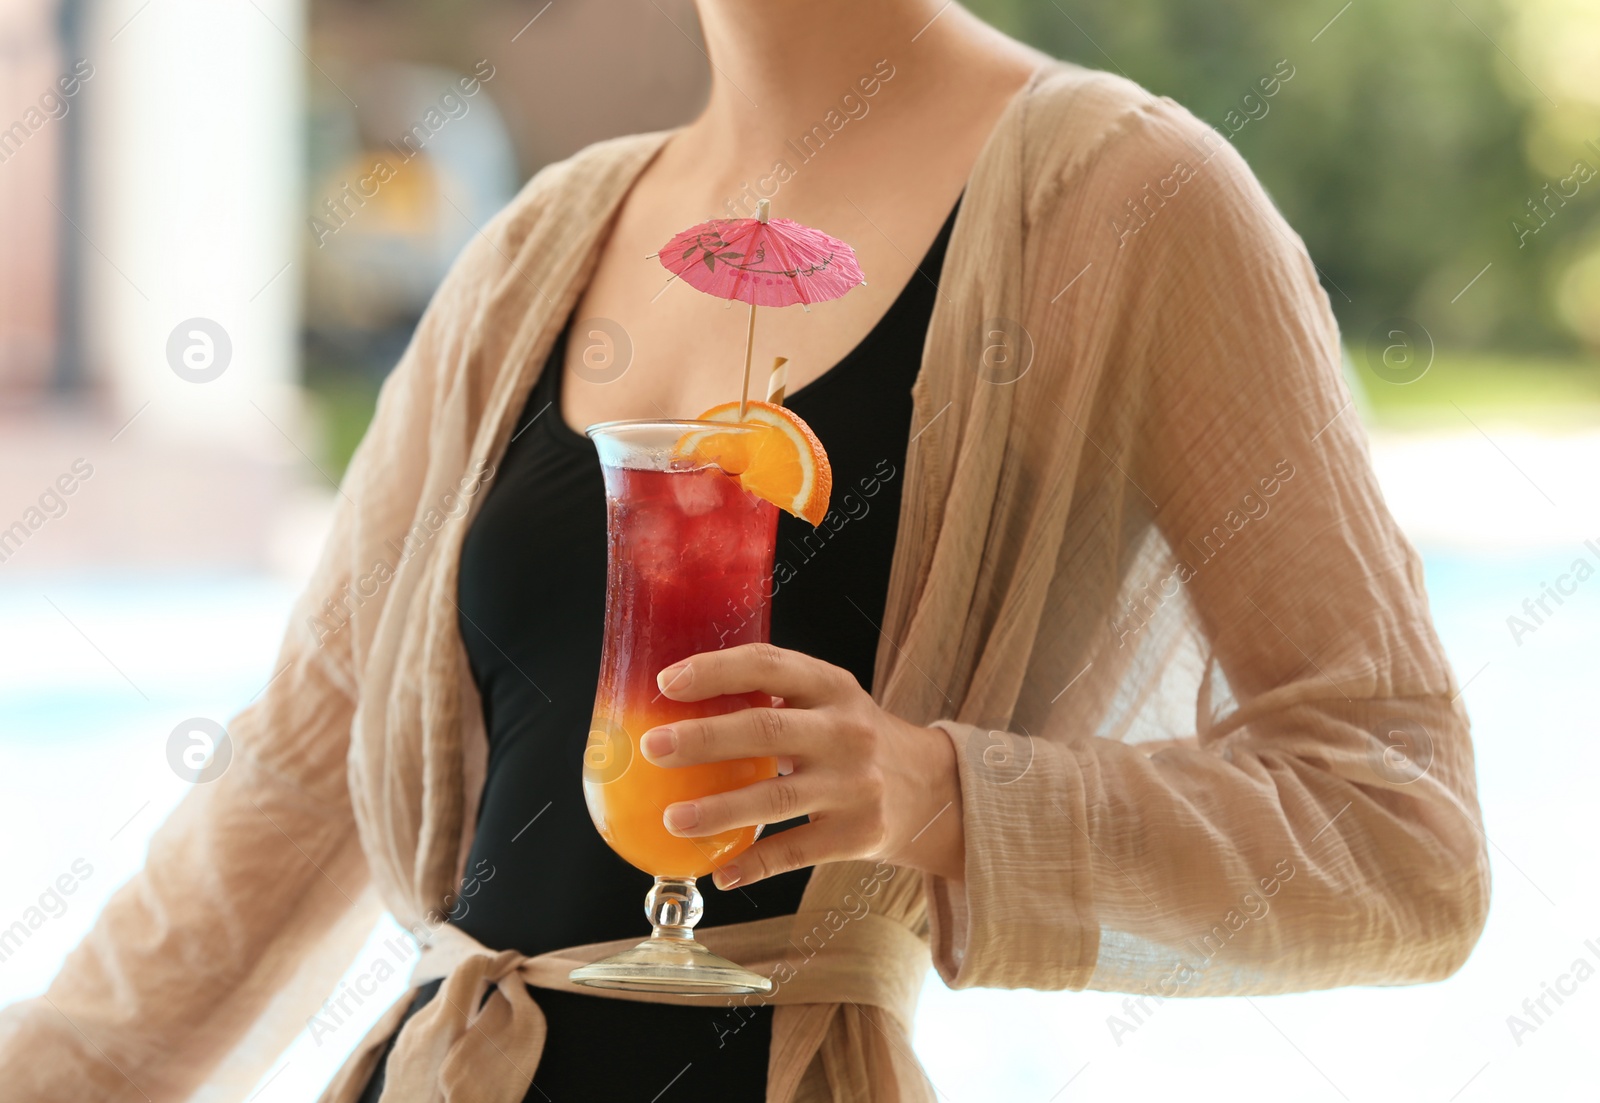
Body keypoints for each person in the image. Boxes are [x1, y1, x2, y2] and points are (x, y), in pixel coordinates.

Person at [0, 2, 1490, 1101]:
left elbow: (1401, 837)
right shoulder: (539, 248)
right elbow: (281, 799)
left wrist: (938, 795)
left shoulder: (1132, 206)